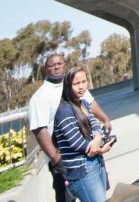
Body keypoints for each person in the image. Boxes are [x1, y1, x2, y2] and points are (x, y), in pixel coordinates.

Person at [29, 53, 111, 202]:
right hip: (64, 158)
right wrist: (55, 157)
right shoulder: (40, 96)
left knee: (97, 195)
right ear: (46, 69)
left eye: (60, 63)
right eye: (52, 65)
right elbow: (39, 130)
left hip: (90, 155)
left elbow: (90, 104)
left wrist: (104, 120)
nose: (57, 67)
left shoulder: (75, 84)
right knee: (67, 198)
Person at [53, 67, 113, 202]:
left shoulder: (84, 104)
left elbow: (95, 125)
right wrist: (96, 147)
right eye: (76, 84)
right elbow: (76, 142)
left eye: (84, 82)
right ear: (68, 85)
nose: (81, 86)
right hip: (82, 170)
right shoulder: (64, 110)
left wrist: (98, 143)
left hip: (96, 162)